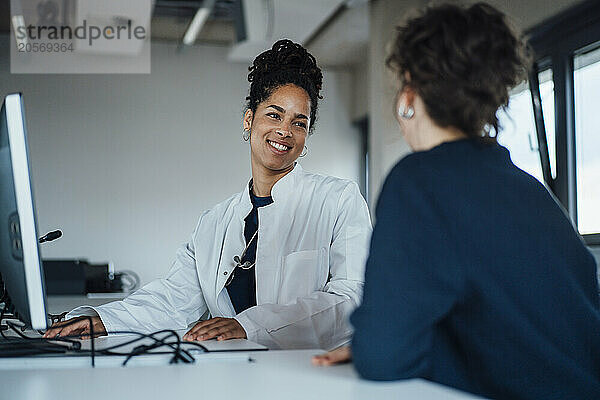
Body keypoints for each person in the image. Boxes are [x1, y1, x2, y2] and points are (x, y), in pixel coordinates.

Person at [313, 3, 600, 398]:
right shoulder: (534, 193)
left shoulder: (418, 181)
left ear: (409, 92)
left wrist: (372, 347)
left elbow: (384, 359)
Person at [44, 39, 372, 350]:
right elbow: (175, 298)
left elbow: (353, 297)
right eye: (274, 114)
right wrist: (101, 319)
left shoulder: (337, 200)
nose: (285, 131)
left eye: (299, 123)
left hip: (310, 376)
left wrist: (251, 326)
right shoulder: (214, 223)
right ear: (249, 120)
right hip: (230, 372)